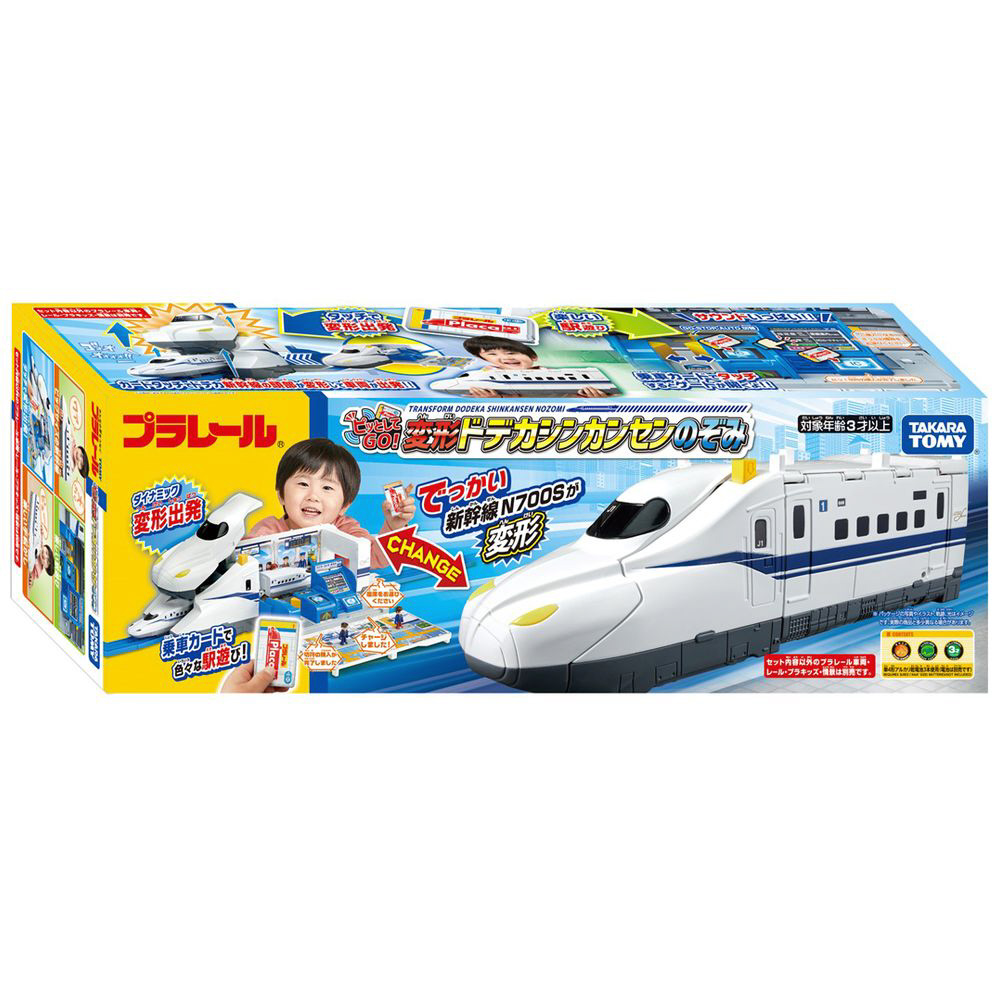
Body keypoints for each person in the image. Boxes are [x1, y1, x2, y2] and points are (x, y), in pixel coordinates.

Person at [244, 437, 415, 569]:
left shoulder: (345, 529)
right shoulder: (268, 531)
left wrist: (394, 527)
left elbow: (375, 557)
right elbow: (243, 561)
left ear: (344, 506)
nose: (313, 496)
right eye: (303, 484)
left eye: (327, 487)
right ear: (281, 495)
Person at [461, 336, 610, 398]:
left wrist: (599, 399)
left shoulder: (551, 373)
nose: (506, 358)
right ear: (485, 359)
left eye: (512, 352)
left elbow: (569, 397)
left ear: (533, 357)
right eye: (492, 354)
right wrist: (497, 399)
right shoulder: (484, 375)